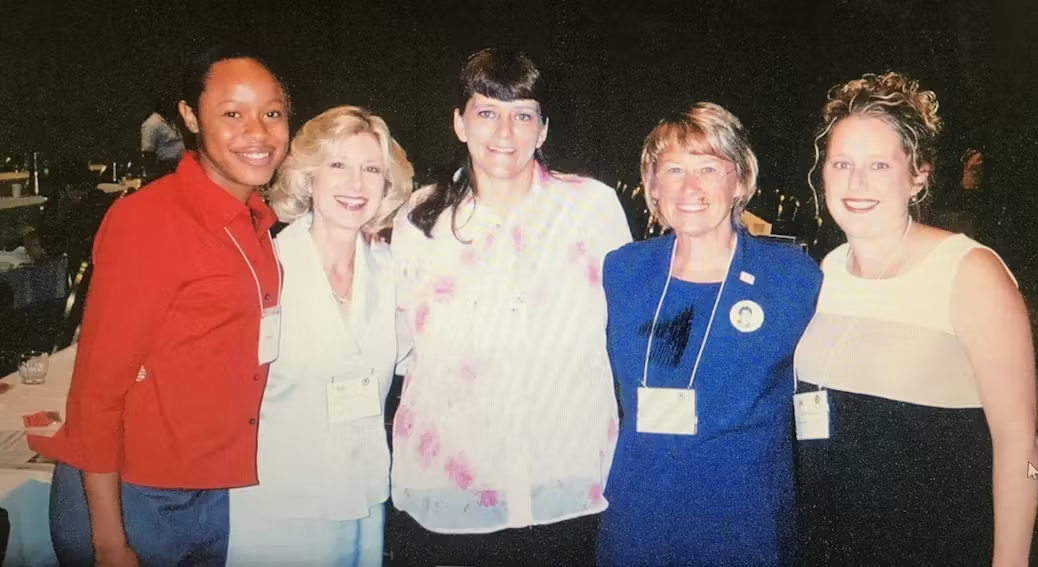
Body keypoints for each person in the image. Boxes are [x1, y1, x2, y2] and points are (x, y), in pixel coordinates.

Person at [32, 44, 290, 567]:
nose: (258, 132)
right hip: (133, 498)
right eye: (232, 114)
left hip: (209, 489)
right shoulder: (149, 221)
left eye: (272, 113)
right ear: (190, 117)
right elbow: (96, 392)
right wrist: (108, 541)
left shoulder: (256, 222)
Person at [388, 48, 632, 566]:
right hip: (453, 484)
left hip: (565, 478)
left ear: (543, 129)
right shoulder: (421, 216)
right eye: (486, 113)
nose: (504, 133)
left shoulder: (591, 207)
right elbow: (401, 341)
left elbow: (626, 327)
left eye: (522, 114)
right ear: (459, 123)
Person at [794, 72, 1038, 565]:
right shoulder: (827, 270)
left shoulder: (969, 272)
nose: (855, 183)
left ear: (919, 173)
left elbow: (1019, 445)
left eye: (879, 165)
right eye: (842, 163)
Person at [596, 103, 822, 566]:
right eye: (673, 169)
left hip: (744, 526)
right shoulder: (623, 271)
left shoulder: (791, 278)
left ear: (739, 180)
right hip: (637, 520)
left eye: (708, 168)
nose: (690, 187)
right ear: (653, 186)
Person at [225, 105, 414, 566]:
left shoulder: (394, 271)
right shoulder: (261, 270)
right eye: (338, 165)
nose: (356, 184)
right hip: (277, 511)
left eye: (371, 169)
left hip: (363, 501)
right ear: (308, 177)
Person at [140, 98, 186, 175]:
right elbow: (147, 152)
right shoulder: (152, 124)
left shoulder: (170, 121)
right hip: (164, 168)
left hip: (179, 165)